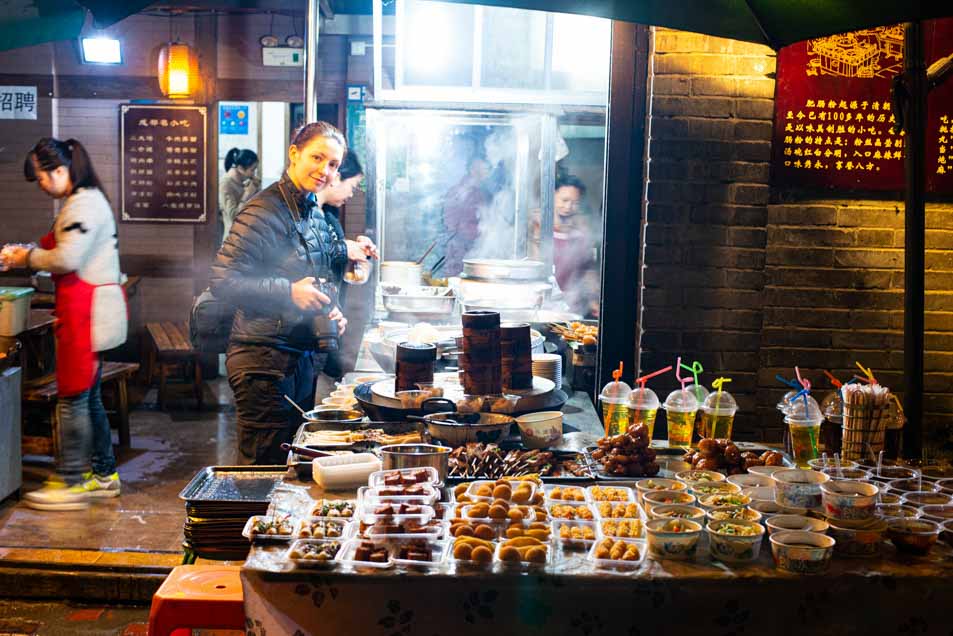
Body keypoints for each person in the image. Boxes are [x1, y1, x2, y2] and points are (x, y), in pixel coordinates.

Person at [211, 122, 351, 465]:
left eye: (332, 164)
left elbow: (313, 277)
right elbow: (224, 280)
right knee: (264, 471)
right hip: (262, 361)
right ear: (294, 154)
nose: (324, 170)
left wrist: (330, 309)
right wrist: (288, 292)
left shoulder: (313, 211)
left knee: (288, 467)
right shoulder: (263, 210)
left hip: (298, 359)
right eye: (317, 157)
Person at [2, 137, 127, 510]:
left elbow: (68, 258)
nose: (41, 185)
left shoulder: (84, 203)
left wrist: (26, 257)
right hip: (87, 310)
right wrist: (24, 253)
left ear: (59, 170)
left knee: (72, 398)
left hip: (86, 312)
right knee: (86, 398)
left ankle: (71, 479)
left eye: (41, 177)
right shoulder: (82, 201)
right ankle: (104, 475)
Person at [315, 152, 377, 380]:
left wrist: (359, 258)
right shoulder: (303, 214)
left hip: (330, 322)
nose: (352, 194)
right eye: (353, 185)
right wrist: (343, 248)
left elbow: (344, 273)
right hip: (309, 329)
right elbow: (301, 263)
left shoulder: (329, 216)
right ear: (337, 176)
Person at [442, 156, 490, 275]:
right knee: (456, 280)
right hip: (461, 246)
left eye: (487, 168)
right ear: (473, 170)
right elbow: (450, 223)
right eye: (484, 168)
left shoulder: (479, 192)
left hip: (471, 245)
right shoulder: (460, 191)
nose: (487, 172)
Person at [551, 174, 594, 300]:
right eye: (564, 200)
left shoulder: (582, 234)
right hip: (544, 301)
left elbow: (588, 271)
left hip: (573, 302)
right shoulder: (540, 229)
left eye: (575, 203)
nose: (568, 207)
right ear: (553, 195)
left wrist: (593, 298)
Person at [219, 148, 259, 241]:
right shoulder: (225, 184)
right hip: (233, 241)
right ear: (241, 168)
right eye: (252, 170)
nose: (254, 174)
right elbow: (233, 216)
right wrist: (247, 194)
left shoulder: (244, 182)